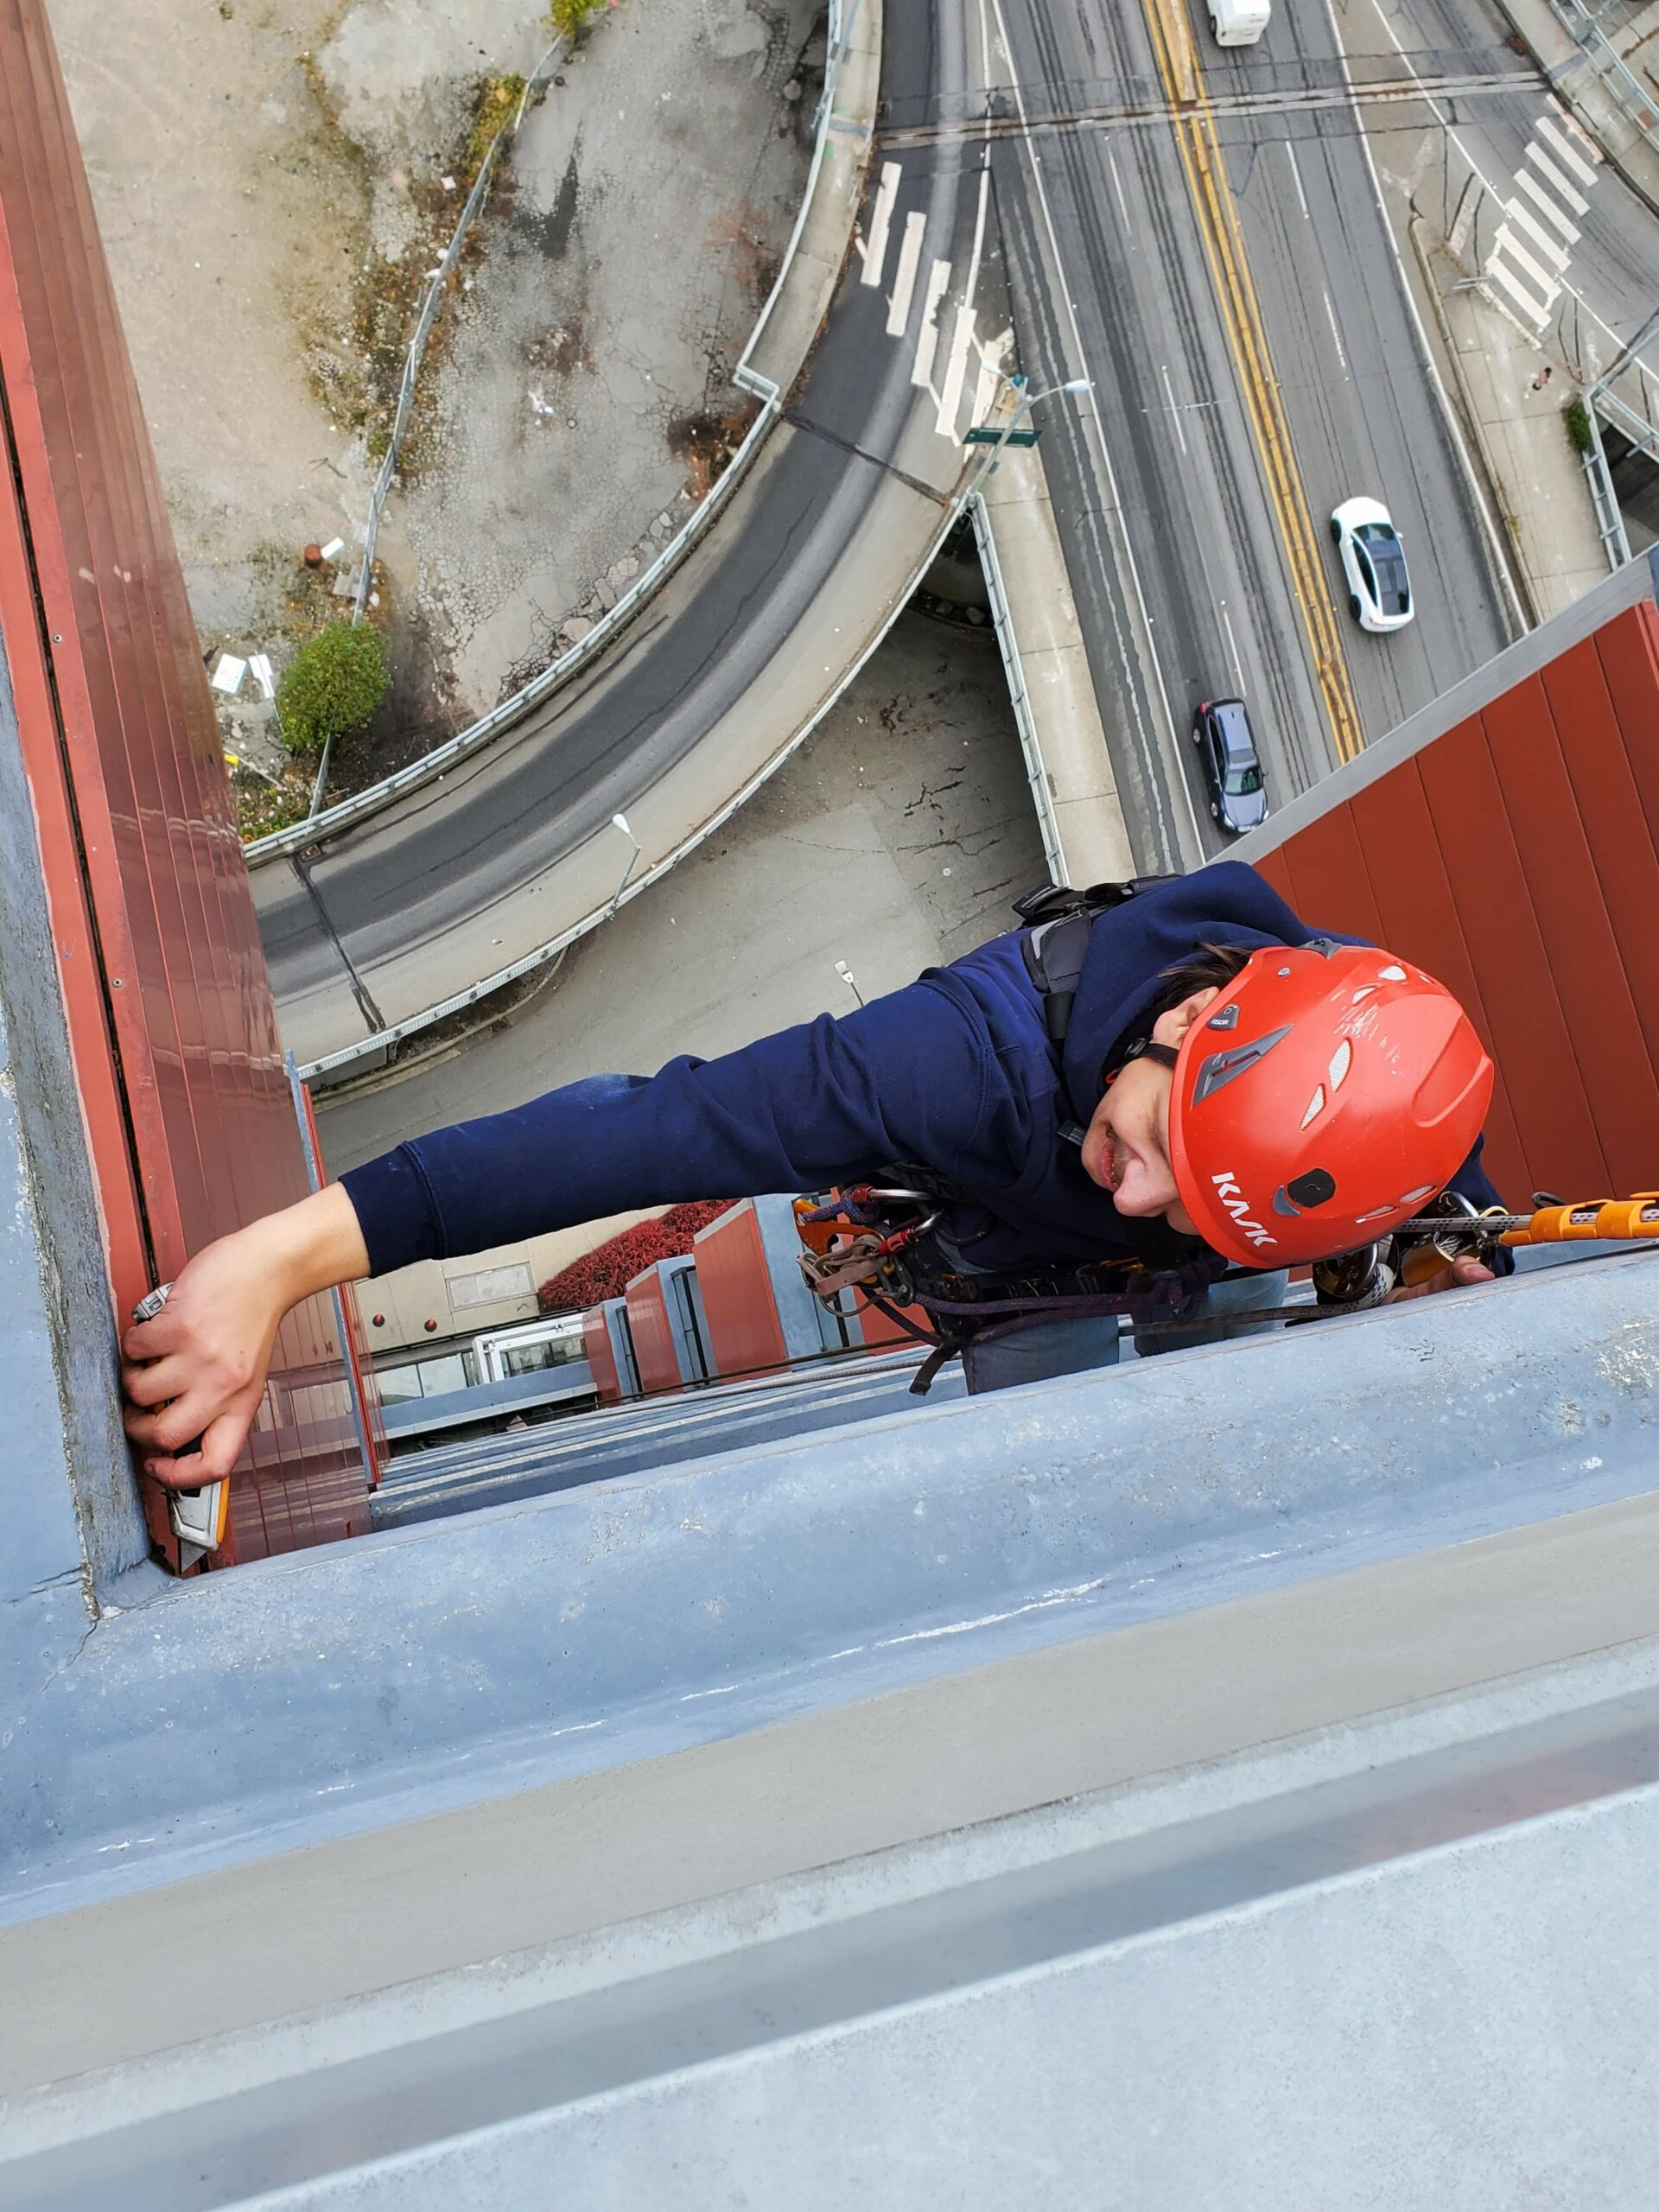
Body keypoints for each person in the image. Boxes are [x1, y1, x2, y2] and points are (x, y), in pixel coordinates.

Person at [123, 861, 1502, 1482]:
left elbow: (1413, 1130)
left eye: (1197, 1209)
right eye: (1153, 1150)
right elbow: (646, 1130)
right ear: (1186, 1020)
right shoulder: (960, 1068)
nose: (1139, 1195)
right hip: (994, 1170)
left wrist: (1460, 1255)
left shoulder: (1313, 1058)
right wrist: (277, 1264)